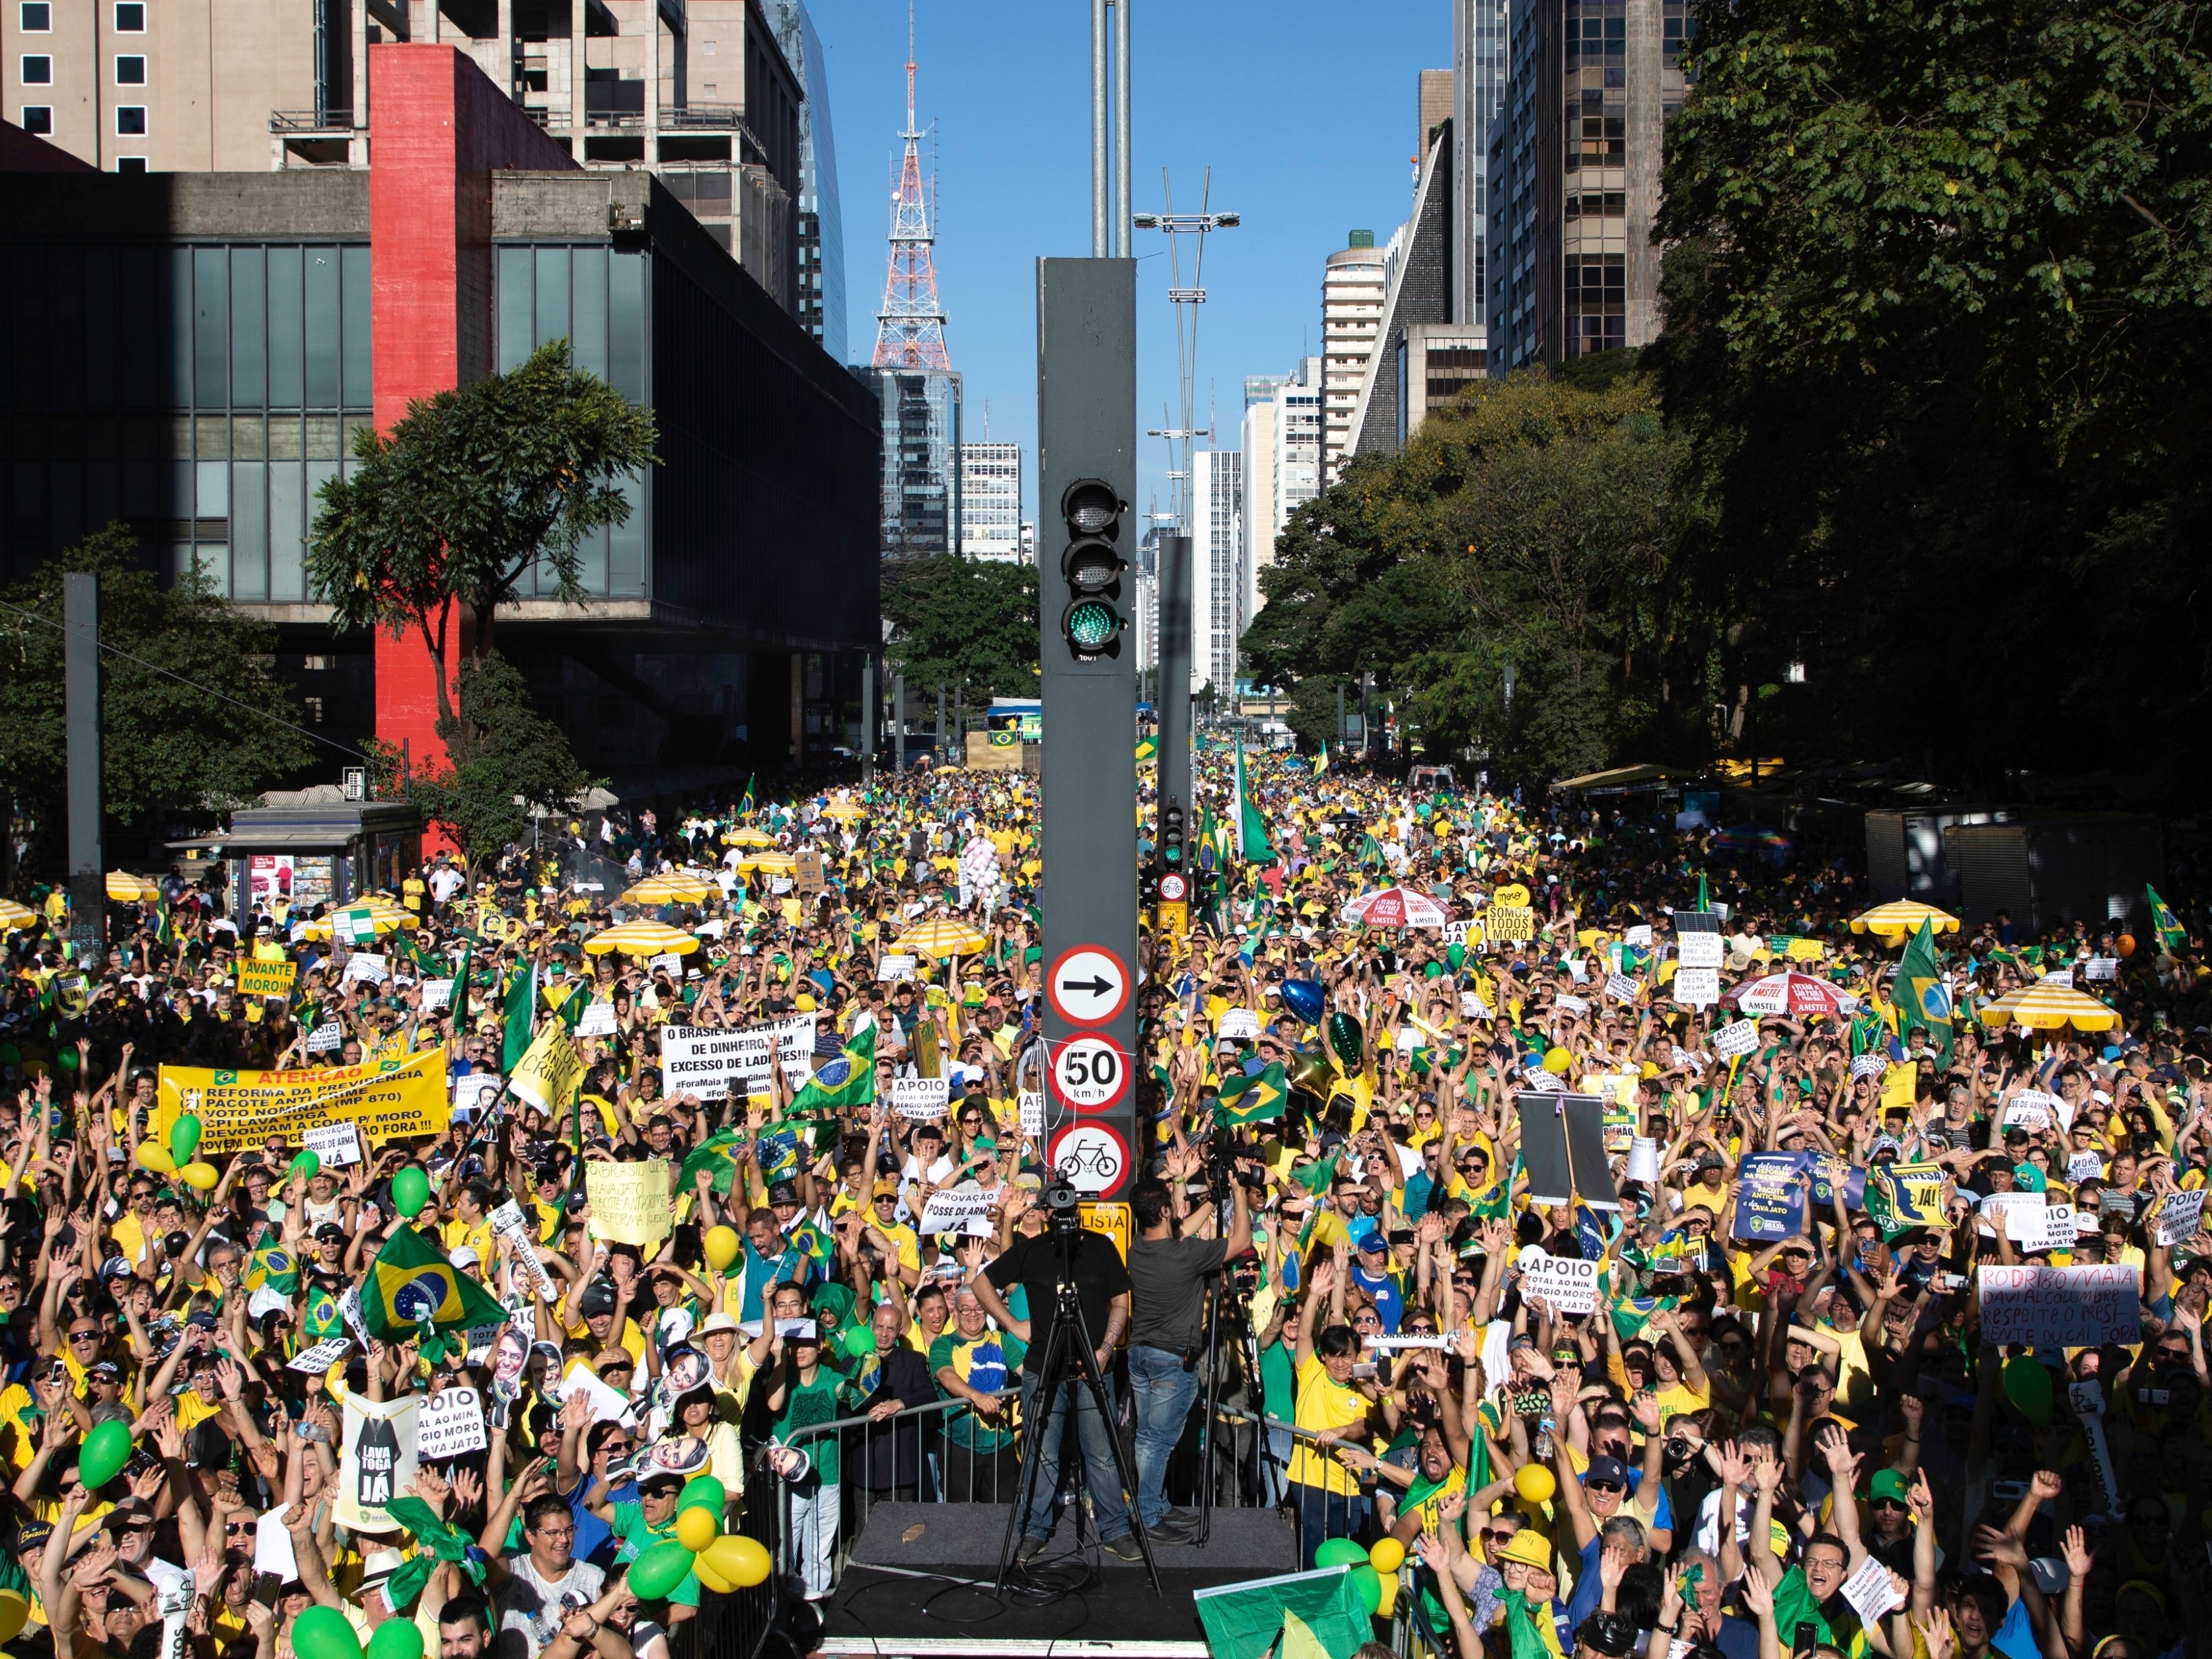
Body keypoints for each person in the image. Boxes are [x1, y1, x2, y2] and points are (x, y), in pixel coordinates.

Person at [970, 1188, 1136, 1563]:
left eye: (1070, 1206)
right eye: (1056, 1207)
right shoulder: (1031, 1251)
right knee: (1042, 1453)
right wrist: (1012, 1324)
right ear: (1044, 1212)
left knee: (1102, 1453)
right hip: (1043, 1367)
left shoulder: (1100, 1247)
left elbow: (1121, 1302)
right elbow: (982, 1283)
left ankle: (1116, 1529)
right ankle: (1034, 1529)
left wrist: (1105, 1349)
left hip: (1092, 1366)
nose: (1064, 1213)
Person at [1124, 1157, 1253, 1540]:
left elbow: (1179, 1229)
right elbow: (1242, 1241)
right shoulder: (1186, 1255)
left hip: (1141, 1354)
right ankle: (1147, 1514)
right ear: (1165, 1211)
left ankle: (1156, 1503)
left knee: (1148, 1435)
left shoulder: (1138, 1249)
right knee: (1156, 1441)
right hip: (1171, 1358)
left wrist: (1212, 1199)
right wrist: (1240, 1196)